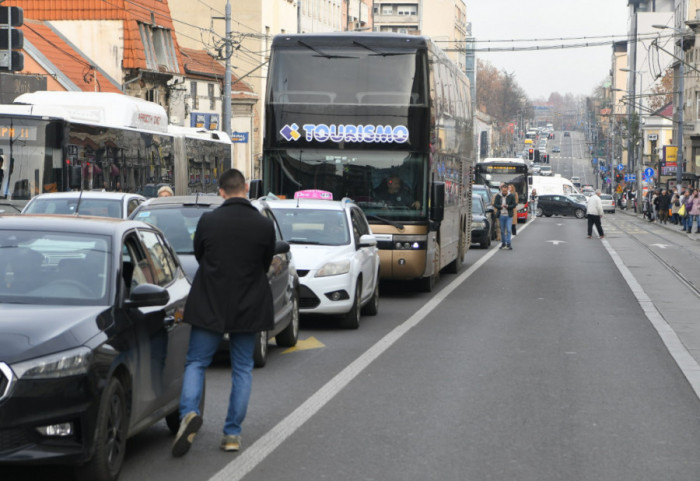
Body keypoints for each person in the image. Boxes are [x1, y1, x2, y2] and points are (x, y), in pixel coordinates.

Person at [172, 168, 276, 457]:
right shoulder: (263, 225)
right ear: (245, 187)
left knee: (196, 363)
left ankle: (189, 414)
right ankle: (231, 434)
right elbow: (265, 261)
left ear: (220, 191)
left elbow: (200, 255)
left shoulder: (208, 221)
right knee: (242, 368)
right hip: (249, 305)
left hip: (210, 301)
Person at [493, 183, 516, 250]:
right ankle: (503, 243)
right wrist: (500, 206)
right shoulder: (498, 196)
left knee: (509, 230)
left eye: (505, 191)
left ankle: (508, 243)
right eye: (503, 191)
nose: (504, 192)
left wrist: (508, 206)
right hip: (501, 215)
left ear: (507, 190)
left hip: (509, 215)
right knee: (502, 230)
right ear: (501, 190)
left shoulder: (511, 196)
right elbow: (495, 204)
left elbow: (514, 204)